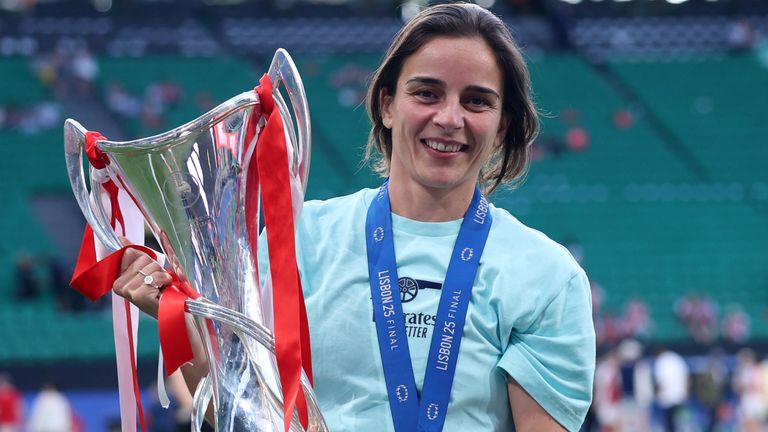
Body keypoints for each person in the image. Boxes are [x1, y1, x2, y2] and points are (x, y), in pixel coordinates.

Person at [110, 3, 595, 431]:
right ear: (386, 104)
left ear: (502, 124)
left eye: (477, 100)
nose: (450, 118)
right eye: (426, 93)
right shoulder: (298, 242)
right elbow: (241, 415)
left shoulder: (546, 276)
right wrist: (175, 319)